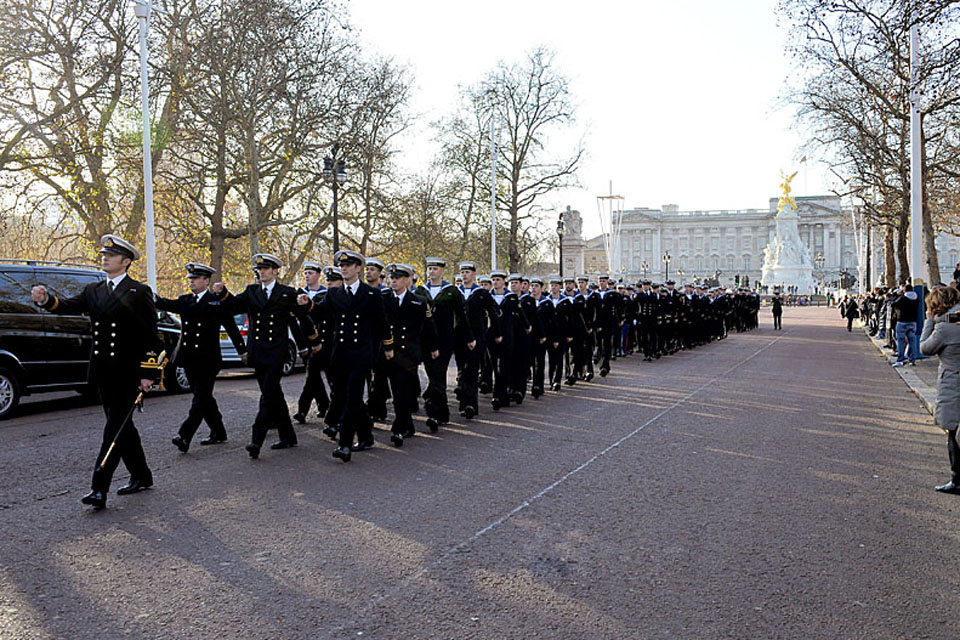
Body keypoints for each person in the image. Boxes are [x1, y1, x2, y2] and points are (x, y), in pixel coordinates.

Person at [32, 234, 160, 510]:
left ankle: (99, 487)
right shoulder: (93, 291)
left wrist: (149, 373)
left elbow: (151, 335)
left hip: (127, 372)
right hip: (103, 370)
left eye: (111, 255)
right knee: (122, 425)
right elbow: (67, 306)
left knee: (115, 426)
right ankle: (141, 474)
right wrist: (46, 300)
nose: (105, 258)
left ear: (125, 262)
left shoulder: (139, 292)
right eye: (104, 254)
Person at [212, 254, 316, 459]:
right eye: (260, 269)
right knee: (273, 393)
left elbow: (300, 317)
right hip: (258, 350)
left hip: (277, 352)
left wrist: (306, 311)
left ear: (276, 271)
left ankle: (256, 440)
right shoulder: (252, 291)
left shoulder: (286, 293)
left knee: (268, 394)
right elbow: (234, 306)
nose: (262, 272)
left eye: (266, 268)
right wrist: (223, 293)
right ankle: (288, 436)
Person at [312, 250, 394, 462]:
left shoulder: (371, 294)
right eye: (342, 265)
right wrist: (305, 305)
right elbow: (319, 313)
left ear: (358, 268)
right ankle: (366, 435)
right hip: (340, 353)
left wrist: (388, 345)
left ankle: (345, 444)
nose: (344, 269)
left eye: (349, 265)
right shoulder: (334, 294)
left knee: (353, 398)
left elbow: (382, 322)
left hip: (361, 354)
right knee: (341, 396)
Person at [156, 262, 246, 452]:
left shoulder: (215, 303)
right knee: (204, 397)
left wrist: (242, 350)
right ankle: (218, 431)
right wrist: (147, 296)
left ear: (206, 281)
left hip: (208, 359)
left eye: (196, 279)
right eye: (190, 279)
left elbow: (230, 326)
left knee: (199, 399)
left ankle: (184, 435)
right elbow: (165, 303)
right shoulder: (185, 300)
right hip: (188, 358)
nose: (192, 282)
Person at [382, 263, 438, 446]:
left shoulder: (418, 301)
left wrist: (433, 348)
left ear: (407, 280)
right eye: (392, 278)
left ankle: (399, 428)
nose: (394, 281)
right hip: (389, 353)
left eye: (398, 278)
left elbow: (429, 328)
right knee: (396, 391)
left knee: (403, 391)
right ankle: (407, 425)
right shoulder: (384, 299)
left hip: (409, 354)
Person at [416, 257, 474, 432]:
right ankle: (442, 412)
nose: (431, 271)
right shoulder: (421, 291)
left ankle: (434, 413)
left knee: (438, 374)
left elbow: (461, 317)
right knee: (432, 374)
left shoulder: (452, 292)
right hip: (426, 341)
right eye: (429, 268)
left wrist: (469, 337)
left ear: (442, 271)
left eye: (435, 268)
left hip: (445, 340)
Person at [919, 285, 960, 494]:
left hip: (953, 382)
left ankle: (957, 480)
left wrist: (928, 321)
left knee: (953, 432)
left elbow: (925, 348)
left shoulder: (943, 327)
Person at [454, 262, 500, 419]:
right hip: (459, 337)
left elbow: (494, 313)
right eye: (462, 272)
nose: (464, 275)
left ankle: (471, 405)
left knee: (472, 370)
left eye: (467, 272)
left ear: (474, 274)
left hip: (477, 337)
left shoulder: (481, 293)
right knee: (462, 369)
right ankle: (463, 402)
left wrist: (495, 332)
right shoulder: (456, 292)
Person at [293, 261, 330, 425]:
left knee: (327, 376)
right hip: (308, 340)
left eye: (311, 273)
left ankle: (326, 405)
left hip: (325, 340)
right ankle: (304, 410)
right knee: (312, 376)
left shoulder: (326, 293)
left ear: (318, 275)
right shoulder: (299, 293)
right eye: (305, 273)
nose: (307, 276)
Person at [891, 286, 920, 367]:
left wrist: (898, 295)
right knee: (912, 341)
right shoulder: (916, 298)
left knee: (901, 341)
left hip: (902, 321)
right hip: (913, 321)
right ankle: (912, 360)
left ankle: (900, 359)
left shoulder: (902, 298)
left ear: (904, 290)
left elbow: (893, 304)